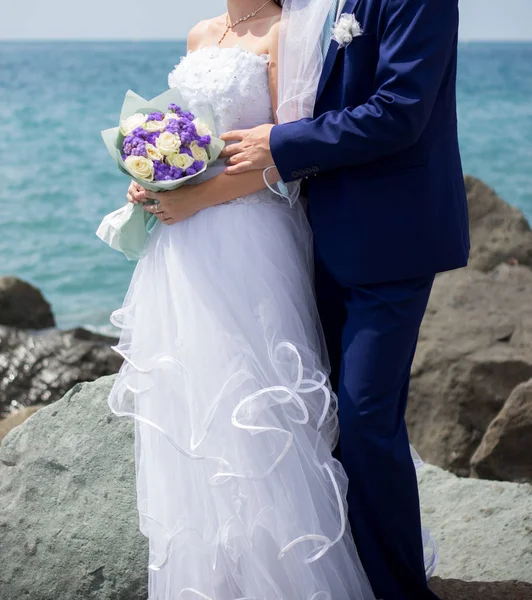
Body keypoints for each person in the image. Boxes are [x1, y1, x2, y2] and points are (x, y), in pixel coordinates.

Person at [111, 0, 397, 598]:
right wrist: (157, 178)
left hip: (249, 236)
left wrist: (198, 198)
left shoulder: (290, 33)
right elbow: (199, 141)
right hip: (183, 248)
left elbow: (290, 157)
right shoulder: (199, 34)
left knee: (253, 403)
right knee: (192, 407)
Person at [219, 0, 470, 598]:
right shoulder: (309, 3)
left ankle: (402, 590)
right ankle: (345, 579)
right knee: (320, 418)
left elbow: (400, 111)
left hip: (394, 238)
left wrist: (283, 143)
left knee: (364, 418)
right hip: (315, 235)